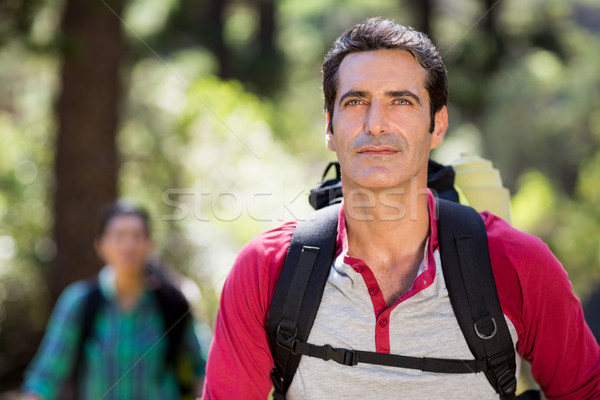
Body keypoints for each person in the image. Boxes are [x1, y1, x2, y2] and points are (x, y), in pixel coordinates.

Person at [202, 17, 600, 400]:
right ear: (329, 127)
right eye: (356, 101)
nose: (376, 123)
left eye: (401, 101)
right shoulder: (267, 270)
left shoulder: (515, 264)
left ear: (437, 126)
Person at [21, 202, 206, 400]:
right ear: (101, 245)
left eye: (137, 236)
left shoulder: (173, 302)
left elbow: (205, 369)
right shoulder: (78, 302)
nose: (128, 245)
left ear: (150, 244)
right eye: (119, 236)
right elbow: (47, 375)